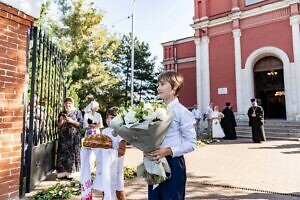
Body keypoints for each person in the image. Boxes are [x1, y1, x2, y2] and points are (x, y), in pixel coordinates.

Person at [146, 71, 196, 200]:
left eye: (162, 84)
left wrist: (168, 151)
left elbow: (191, 143)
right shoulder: (155, 111)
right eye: (158, 84)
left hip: (173, 164)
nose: (158, 87)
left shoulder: (182, 112)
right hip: (155, 162)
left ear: (174, 87)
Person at [56, 97, 82, 179]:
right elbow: (58, 126)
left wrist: (71, 121)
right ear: (64, 104)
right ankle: (62, 173)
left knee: (72, 155)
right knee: (63, 155)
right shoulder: (61, 113)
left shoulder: (77, 112)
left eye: (69, 103)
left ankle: (72, 173)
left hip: (73, 138)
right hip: (63, 138)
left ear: (72, 104)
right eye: (66, 103)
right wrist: (61, 122)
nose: (68, 105)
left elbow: (80, 125)